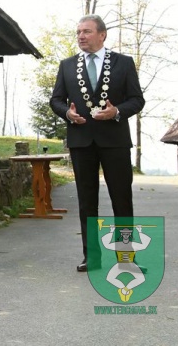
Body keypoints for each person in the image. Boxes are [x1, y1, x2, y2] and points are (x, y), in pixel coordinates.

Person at [49, 14, 144, 273]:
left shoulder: (123, 63)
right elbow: (56, 100)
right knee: (86, 201)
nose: (81, 36)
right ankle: (92, 257)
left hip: (115, 140)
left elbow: (137, 100)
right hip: (82, 141)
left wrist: (116, 112)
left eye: (87, 31)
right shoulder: (67, 65)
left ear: (102, 35)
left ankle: (126, 259)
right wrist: (67, 114)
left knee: (121, 199)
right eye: (78, 31)